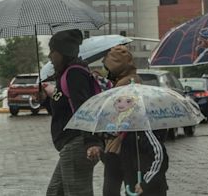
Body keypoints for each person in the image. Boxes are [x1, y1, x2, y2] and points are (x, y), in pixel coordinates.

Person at [97, 45, 169, 196]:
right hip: (120, 147)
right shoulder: (124, 81)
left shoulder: (127, 84)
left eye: (108, 68)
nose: (106, 72)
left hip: (123, 146)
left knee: (116, 189)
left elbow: (159, 155)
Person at [46, 29, 103, 196]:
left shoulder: (74, 73)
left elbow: (85, 108)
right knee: (55, 192)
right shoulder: (65, 74)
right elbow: (62, 111)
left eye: (53, 51)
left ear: (63, 52)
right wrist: (45, 99)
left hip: (77, 143)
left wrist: (91, 142)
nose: (50, 56)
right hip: (70, 144)